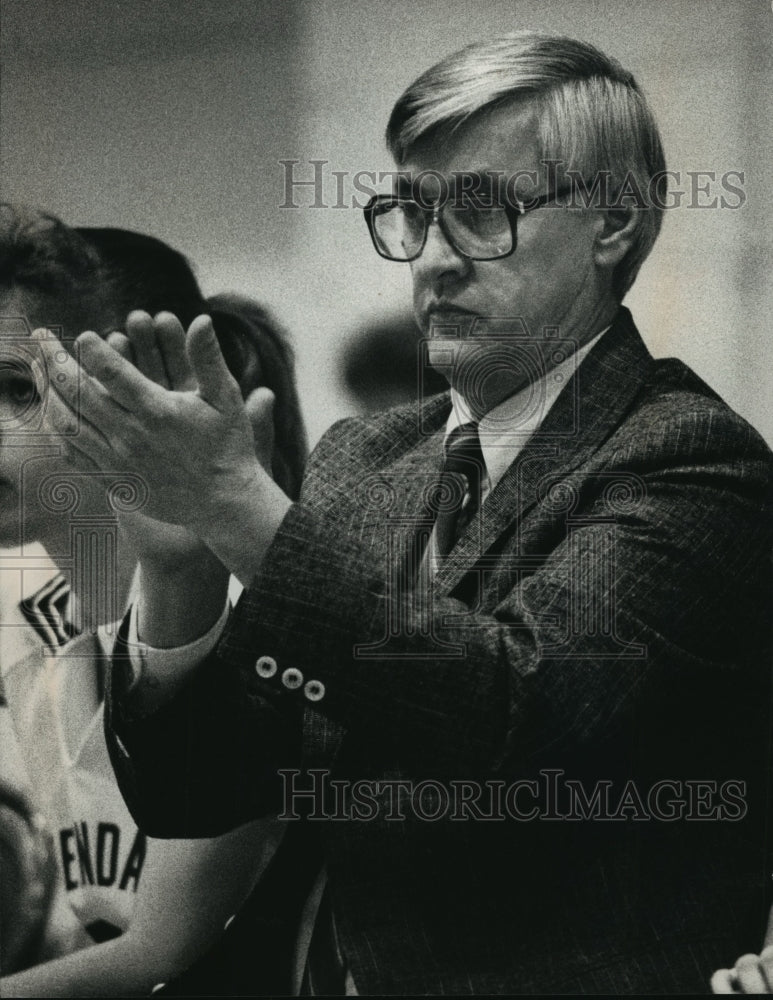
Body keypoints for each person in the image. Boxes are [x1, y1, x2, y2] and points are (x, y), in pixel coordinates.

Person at [35, 32, 773, 994]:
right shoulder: (367, 459)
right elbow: (195, 790)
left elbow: (505, 717)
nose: (432, 259)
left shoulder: (687, 459)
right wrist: (181, 570)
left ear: (613, 224)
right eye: (410, 214)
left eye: (479, 212)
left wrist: (241, 506)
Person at [0, 206, 307, 995]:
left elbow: (162, 952)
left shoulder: (251, 609)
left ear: (140, 391)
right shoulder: (22, 612)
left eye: (12, 389)